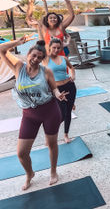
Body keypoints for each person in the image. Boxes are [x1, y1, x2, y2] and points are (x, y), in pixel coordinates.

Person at [0, 37, 67, 190]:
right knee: (21, 152)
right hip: (29, 114)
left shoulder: (46, 71)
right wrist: (18, 42)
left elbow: (54, 88)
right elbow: (1, 50)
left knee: (51, 144)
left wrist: (58, 95)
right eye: (33, 55)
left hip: (49, 111)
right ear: (28, 54)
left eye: (39, 57)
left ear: (43, 59)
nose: (35, 59)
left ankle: (53, 171)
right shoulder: (18, 67)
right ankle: (30, 173)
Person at [43, 38, 76, 142]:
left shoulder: (63, 58)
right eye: (54, 48)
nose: (56, 50)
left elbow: (72, 68)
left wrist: (73, 76)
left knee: (68, 112)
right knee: (60, 115)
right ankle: (49, 135)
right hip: (57, 89)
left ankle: (66, 135)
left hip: (69, 86)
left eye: (58, 48)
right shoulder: (45, 59)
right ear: (49, 48)